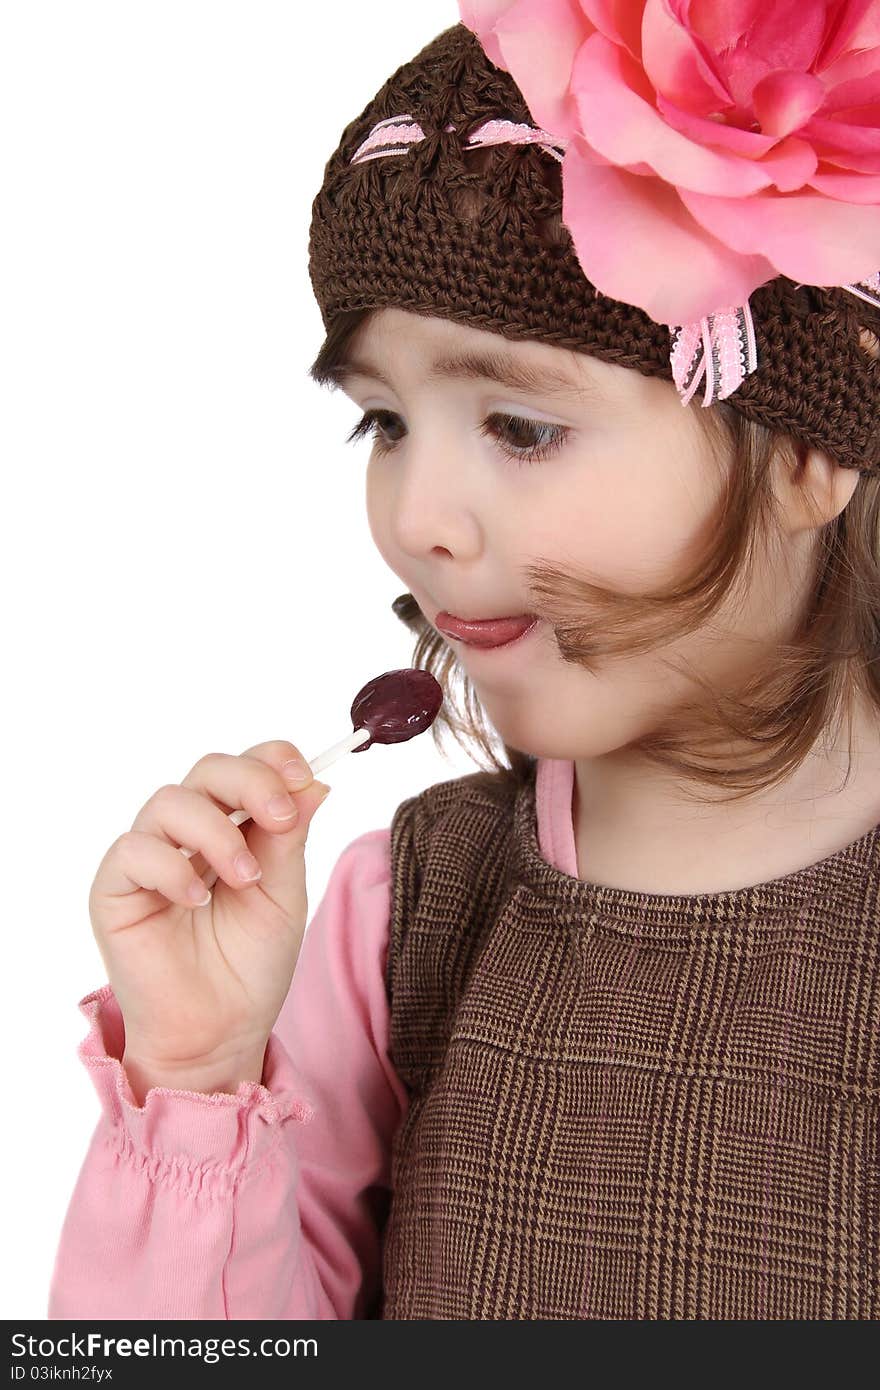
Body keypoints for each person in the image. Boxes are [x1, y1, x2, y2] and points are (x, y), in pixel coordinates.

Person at [49, 12, 880, 1320]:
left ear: (806, 454)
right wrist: (201, 1070)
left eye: (520, 424)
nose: (417, 514)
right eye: (384, 420)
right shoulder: (401, 924)